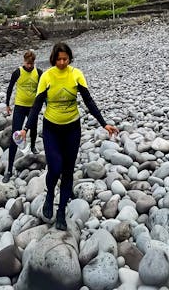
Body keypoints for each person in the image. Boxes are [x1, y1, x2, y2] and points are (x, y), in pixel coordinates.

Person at [17, 42, 118, 230]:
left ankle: (61, 210)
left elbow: (88, 100)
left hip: (72, 128)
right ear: (53, 59)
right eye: (59, 59)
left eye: (65, 59)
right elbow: (37, 105)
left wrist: (104, 123)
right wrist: (25, 129)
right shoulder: (46, 76)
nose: (62, 62)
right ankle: (49, 196)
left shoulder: (76, 74)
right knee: (55, 169)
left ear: (69, 58)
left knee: (68, 171)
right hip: (51, 129)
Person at [3, 50, 43, 183]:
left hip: (33, 107)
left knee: (33, 128)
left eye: (32, 64)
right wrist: (7, 104)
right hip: (20, 106)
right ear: (23, 61)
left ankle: (32, 146)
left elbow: (44, 89)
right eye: (27, 63)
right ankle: (9, 169)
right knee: (16, 135)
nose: (30, 66)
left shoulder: (39, 73)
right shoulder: (18, 72)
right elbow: (10, 87)